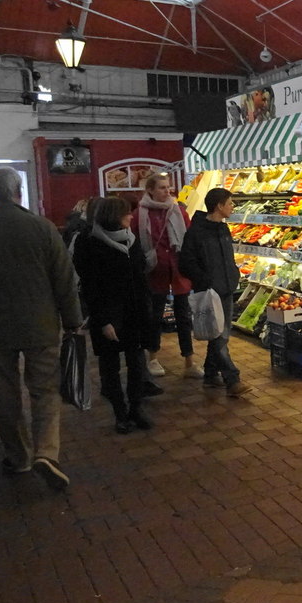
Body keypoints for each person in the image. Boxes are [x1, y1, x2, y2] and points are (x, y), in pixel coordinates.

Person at [0, 167, 81, 490]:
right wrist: (73, 321)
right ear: (18, 190)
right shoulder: (42, 228)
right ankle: (47, 452)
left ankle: (18, 456)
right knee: (45, 390)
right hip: (41, 323)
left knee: (4, 393)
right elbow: (64, 280)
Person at [73, 197, 154, 433]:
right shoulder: (89, 243)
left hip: (135, 311)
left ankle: (136, 409)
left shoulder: (131, 239)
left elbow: (139, 276)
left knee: (137, 363)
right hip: (109, 314)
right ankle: (120, 413)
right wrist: (103, 319)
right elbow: (90, 285)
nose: (131, 217)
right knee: (110, 366)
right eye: (127, 213)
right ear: (113, 215)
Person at [178, 188, 255, 398]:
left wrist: (234, 274)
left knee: (219, 335)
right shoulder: (196, 232)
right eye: (230, 203)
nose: (232, 206)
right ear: (219, 206)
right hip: (210, 292)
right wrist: (205, 281)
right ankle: (233, 380)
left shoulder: (223, 229)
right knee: (220, 336)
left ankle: (211, 374)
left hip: (227, 288)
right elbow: (185, 263)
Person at [131, 173, 200, 379]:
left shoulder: (179, 211)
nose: (167, 191)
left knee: (184, 317)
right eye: (161, 187)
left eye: (168, 187)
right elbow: (134, 243)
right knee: (154, 316)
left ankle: (189, 360)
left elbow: (188, 240)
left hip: (179, 271)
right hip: (154, 272)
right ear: (150, 190)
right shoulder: (139, 215)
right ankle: (152, 357)